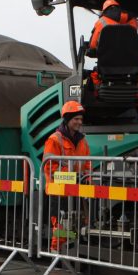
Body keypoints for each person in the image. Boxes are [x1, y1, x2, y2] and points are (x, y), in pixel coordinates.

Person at [43, 101, 91, 251]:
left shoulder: (82, 141)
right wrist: (73, 177)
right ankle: (56, 254)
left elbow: (87, 165)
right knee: (61, 227)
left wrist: (87, 178)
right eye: (76, 119)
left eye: (81, 119)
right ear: (67, 119)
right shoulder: (54, 140)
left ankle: (68, 254)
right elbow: (49, 167)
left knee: (75, 226)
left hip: (75, 191)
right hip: (59, 192)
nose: (79, 122)